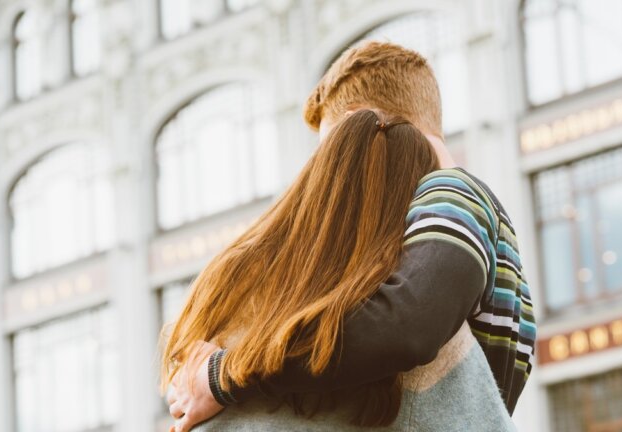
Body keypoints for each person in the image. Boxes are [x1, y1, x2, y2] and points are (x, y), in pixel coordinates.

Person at [163, 42, 536, 432]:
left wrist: (226, 373)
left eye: (331, 149)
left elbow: (407, 324)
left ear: (363, 126)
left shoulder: (453, 192)